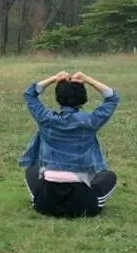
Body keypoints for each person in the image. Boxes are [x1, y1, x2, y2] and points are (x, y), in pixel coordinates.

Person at [18, 71, 120, 217]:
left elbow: (29, 94)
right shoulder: (90, 121)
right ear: (83, 99)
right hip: (82, 205)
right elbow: (112, 98)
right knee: (109, 176)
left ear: (58, 98)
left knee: (32, 170)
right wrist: (88, 79)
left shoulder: (46, 119)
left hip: (46, 203)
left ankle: (41, 198)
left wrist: (54, 78)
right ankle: (90, 199)